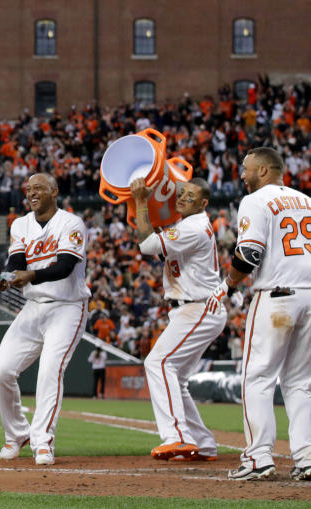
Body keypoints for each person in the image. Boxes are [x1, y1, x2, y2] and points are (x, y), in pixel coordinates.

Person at [222, 147, 311, 481]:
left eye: (246, 169)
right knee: (301, 383)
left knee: (258, 377)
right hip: (310, 294)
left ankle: (259, 458)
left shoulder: (256, 200)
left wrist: (228, 284)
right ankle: (307, 458)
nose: (242, 174)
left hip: (277, 296)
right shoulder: (306, 200)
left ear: (262, 170)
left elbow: (248, 253)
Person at [0, 173, 90, 466]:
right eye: (28, 189)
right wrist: (7, 278)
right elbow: (17, 261)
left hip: (67, 307)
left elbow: (65, 266)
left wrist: (29, 275)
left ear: (54, 191)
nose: (31, 193)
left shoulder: (71, 223)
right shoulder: (21, 224)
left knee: (49, 371)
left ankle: (43, 441)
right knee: (1, 371)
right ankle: (17, 434)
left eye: (38, 188)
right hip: (34, 307)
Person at [130, 176, 226, 463]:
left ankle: (178, 437)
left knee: (157, 363)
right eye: (182, 193)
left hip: (198, 307)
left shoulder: (194, 227)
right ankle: (203, 443)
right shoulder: (185, 225)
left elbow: (147, 245)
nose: (183, 198)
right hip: (192, 307)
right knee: (176, 377)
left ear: (204, 203)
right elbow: (158, 245)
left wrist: (140, 201)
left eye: (191, 195)